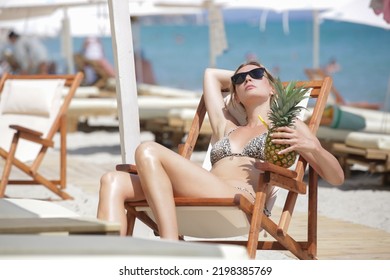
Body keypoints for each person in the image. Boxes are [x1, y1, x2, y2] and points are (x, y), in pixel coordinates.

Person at [97, 61, 345, 238]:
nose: (247, 79)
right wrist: (250, 77)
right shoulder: (224, 127)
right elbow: (211, 75)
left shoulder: (286, 125)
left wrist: (313, 148)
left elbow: (336, 177)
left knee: (147, 150)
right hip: (200, 192)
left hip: (240, 204)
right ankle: (105, 265)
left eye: (257, 74)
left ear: (273, 88)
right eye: (239, 79)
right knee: (112, 181)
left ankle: (170, 244)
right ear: (235, 94)